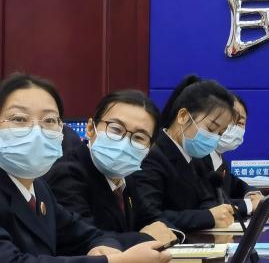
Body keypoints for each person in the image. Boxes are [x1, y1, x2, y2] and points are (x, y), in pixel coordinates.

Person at [0, 73, 170, 262]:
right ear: (90, 128)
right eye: (19, 119)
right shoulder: (66, 174)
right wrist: (115, 261)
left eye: (49, 121)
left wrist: (100, 246)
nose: (37, 131)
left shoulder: (39, 188)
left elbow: (82, 234)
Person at [45, 90, 177, 247]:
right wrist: (147, 238)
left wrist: (169, 233)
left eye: (139, 137)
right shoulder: (67, 174)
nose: (124, 143)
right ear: (90, 128)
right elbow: (83, 239)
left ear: (149, 148)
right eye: (115, 129)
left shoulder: (126, 176)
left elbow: (151, 219)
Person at [130, 76, 236, 232]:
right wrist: (208, 217)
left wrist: (218, 212)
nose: (214, 138)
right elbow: (149, 217)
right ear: (183, 116)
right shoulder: (151, 155)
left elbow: (206, 200)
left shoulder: (196, 157)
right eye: (211, 129)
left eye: (220, 133)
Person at [193, 92, 262, 211]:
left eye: (241, 123)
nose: (235, 127)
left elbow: (235, 183)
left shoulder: (219, 159)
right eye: (231, 119)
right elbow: (211, 204)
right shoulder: (196, 158)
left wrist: (252, 194)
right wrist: (249, 205)